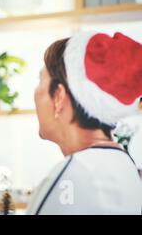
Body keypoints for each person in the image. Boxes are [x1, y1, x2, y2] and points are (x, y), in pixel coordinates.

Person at [28, 31, 142, 214]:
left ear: (58, 96)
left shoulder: (74, 175)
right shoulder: (124, 166)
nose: (35, 92)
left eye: (40, 79)